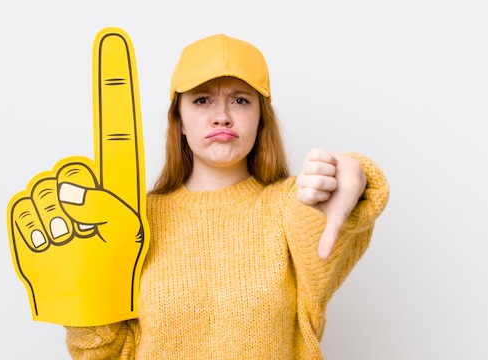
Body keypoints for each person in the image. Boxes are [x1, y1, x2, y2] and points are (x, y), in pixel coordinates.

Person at [64, 33, 389, 359]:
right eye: (202, 100)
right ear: (179, 121)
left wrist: (348, 177)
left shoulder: (290, 205)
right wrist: (76, 298)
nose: (222, 116)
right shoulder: (134, 221)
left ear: (261, 119)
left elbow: (318, 218)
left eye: (240, 100)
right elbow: (108, 353)